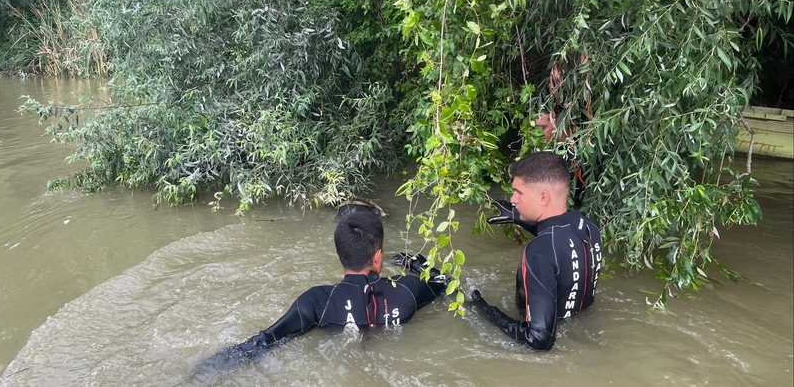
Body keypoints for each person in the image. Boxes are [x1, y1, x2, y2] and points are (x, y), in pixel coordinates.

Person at [197, 211, 446, 372]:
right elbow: (446, 283)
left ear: (339, 255)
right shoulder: (409, 289)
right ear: (379, 257)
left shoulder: (317, 301)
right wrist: (417, 264)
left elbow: (264, 341)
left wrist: (207, 370)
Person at [470, 152, 603, 351]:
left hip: (554, 347)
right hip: (582, 327)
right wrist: (520, 218)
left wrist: (487, 312)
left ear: (543, 197)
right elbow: (561, 242)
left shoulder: (538, 252)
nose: (513, 199)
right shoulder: (587, 225)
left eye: (518, 192)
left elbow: (539, 340)